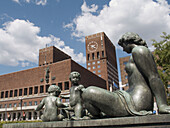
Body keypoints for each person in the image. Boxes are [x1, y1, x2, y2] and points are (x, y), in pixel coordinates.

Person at [80, 32, 170, 118]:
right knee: (90, 94)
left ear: (127, 41)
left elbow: (154, 77)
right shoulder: (137, 52)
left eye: (123, 46)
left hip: (136, 101)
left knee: (89, 92)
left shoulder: (139, 50)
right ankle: (97, 116)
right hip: (129, 96)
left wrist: (162, 105)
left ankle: (96, 116)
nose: (123, 49)